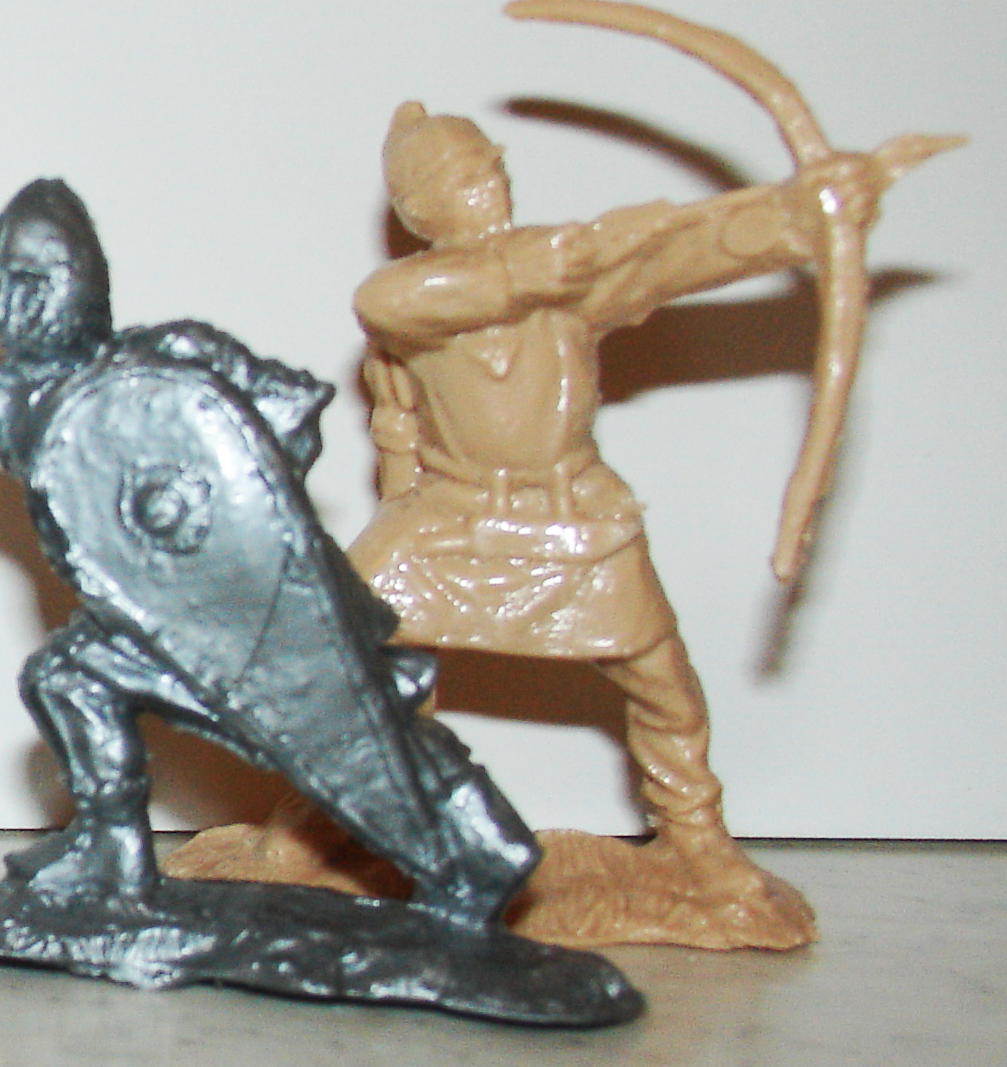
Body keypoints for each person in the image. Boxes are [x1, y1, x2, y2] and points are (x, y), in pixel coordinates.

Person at [0, 178, 538, 928]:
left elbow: (288, 414)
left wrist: (216, 493)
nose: (11, 307)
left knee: (355, 729)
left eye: (34, 282)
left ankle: (484, 851)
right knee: (71, 677)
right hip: (166, 620)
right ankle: (113, 850)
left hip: (252, 608)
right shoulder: (33, 405)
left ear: (83, 285)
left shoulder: (170, 358)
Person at [329, 101, 867, 933]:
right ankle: (378, 822)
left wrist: (799, 218)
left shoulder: (573, 285)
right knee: (349, 645)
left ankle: (697, 842)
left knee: (665, 690)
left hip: (575, 516)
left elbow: (684, 254)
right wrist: (529, 273)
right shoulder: (428, 295)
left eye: (492, 167)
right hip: (447, 519)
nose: (490, 185)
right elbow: (390, 301)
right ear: (420, 208)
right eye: (464, 178)